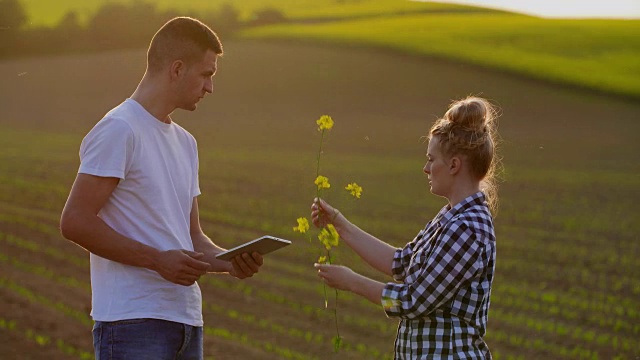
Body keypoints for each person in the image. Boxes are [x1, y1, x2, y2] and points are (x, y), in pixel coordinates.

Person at [59, 17, 263, 359]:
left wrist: (230, 262)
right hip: (130, 324)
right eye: (207, 74)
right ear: (177, 69)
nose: (210, 87)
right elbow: (75, 221)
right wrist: (157, 261)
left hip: (185, 322)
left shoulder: (186, 143)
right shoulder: (119, 129)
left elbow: (192, 237)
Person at [312, 96, 500, 359]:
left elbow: (413, 301)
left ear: (454, 165)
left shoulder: (468, 228)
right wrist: (340, 224)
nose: (425, 168)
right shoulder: (450, 217)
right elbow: (400, 262)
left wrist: (352, 282)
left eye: (431, 160)